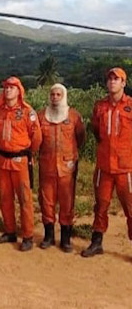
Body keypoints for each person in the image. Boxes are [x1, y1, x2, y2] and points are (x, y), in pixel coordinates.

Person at [82, 67, 132, 257]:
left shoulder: (130, 105)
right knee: (101, 204)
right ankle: (97, 242)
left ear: (123, 83)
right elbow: (96, 131)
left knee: (130, 207)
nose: (112, 82)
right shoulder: (99, 106)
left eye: (116, 79)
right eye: (110, 79)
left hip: (126, 167)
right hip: (104, 166)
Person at [0, 76, 42, 251]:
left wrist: (27, 153)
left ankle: (27, 235)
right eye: (6, 87)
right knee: (5, 197)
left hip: (20, 161)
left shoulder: (28, 112)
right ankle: (10, 231)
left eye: (12, 88)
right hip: (2, 160)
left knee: (24, 198)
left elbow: (36, 137)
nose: (8, 90)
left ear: (19, 91)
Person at [38, 84, 85, 252]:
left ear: (63, 96)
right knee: (46, 201)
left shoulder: (73, 116)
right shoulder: (42, 116)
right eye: (52, 94)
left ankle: (65, 239)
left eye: (58, 94)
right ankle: (49, 236)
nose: (55, 97)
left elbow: (80, 138)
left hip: (67, 167)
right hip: (47, 166)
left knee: (67, 202)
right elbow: (36, 138)